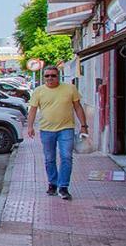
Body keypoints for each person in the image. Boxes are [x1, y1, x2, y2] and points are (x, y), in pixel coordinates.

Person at [26, 66, 89, 200]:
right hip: (46, 130)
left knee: (66, 157)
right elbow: (32, 110)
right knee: (50, 159)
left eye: (53, 75)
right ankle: (52, 184)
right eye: (47, 76)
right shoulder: (38, 91)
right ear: (44, 77)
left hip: (66, 129)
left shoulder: (70, 89)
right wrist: (30, 126)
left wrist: (83, 126)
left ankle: (64, 187)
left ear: (58, 76)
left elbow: (78, 107)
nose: (50, 78)